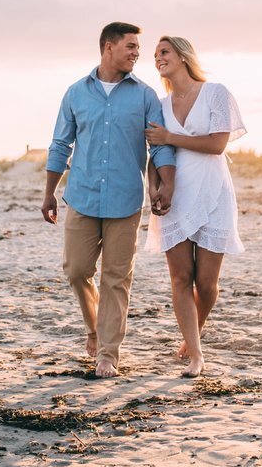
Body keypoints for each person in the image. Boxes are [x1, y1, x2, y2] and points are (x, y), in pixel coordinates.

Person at [42, 22, 176, 378]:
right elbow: (60, 145)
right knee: (77, 271)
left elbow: (159, 146)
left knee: (117, 278)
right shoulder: (75, 93)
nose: (136, 53)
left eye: (137, 48)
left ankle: (108, 354)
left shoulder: (145, 96)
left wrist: (165, 184)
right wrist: (49, 192)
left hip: (125, 201)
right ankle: (95, 328)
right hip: (82, 197)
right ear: (108, 48)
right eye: (130, 46)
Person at [144, 36, 246, 377]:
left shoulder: (215, 93)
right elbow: (154, 153)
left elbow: (217, 144)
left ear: (183, 55)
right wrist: (153, 187)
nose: (158, 58)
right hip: (175, 194)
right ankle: (196, 355)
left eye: (164, 51)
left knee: (205, 283)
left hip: (213, 192)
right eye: (155, 55)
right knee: (180, 277)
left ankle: (193, 334)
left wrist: (171, 137)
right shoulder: (160, 104)